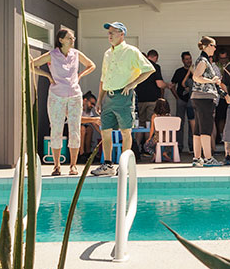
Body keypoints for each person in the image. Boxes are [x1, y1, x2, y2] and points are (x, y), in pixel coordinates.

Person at [92, 22, 155, 177]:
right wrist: (99, 100)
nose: (109, 35)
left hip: (124, 96)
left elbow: (149, 69)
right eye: (108, 33)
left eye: (113, 32)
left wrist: (133, 84)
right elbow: (103, 78)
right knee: (105, 131)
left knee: (125, 131)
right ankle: (107, 165)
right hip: (108, 96)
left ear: (122, 34)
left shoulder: (131, 51)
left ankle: (124, 165)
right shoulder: (107, 53)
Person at [30, 28, 95, 176]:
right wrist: (47, 76)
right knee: (56, 129)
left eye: (73, 38)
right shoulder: (52, 55)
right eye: (70, 38)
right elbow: (30, 65)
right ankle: (57, 166)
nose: (73, 40)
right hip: (56, 96)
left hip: (74, 95)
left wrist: (80, 76)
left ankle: (73, 165)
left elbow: (91, 65)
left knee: (74, 130)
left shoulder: (76, 54)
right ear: (61, 40)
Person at [190, 36, 223, 166]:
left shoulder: (202, 60)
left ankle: (197, 158)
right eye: (213, 45)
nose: (215, 48)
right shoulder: (203, 60)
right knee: (206, 128)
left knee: (198, 129)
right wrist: (212, 80)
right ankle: (208, 158)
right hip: (204, 98)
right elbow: (196, 77)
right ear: (206, 46)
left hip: (198, 98)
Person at [135, 49, 167, 153]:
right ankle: (148, 148)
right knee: (150, 125)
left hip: (139, 99)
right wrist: (168, 85)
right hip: (152, 100)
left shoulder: (138, 67)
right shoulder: (155, 67)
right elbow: (159, 84)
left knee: (140, 125)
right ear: (155, 57)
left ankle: (137, 148)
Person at [169, 51, 196, 151]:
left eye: (190, 58)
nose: (189, 61)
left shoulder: (195, 72)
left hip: (192, 101)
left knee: (192, 123)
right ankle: (179, 146)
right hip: (181, 100)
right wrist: (177, 97)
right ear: (182, 60)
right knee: (179, 123)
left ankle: (192, 146)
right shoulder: (179, 71)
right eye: (186, 59)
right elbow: (172, 85)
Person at [80, 91, 101, 155]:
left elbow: (94, 124)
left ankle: (88, 152)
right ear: (85, 100)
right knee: (82, 129)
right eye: (91, 103)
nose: (92, 106)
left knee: (90, 129)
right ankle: (81, 153)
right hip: (68, 127)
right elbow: (78, 120)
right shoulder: (78, 107)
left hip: (81, 128)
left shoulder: (88, 111)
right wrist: (94, 119)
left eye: (93, 105)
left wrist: (102, 133)